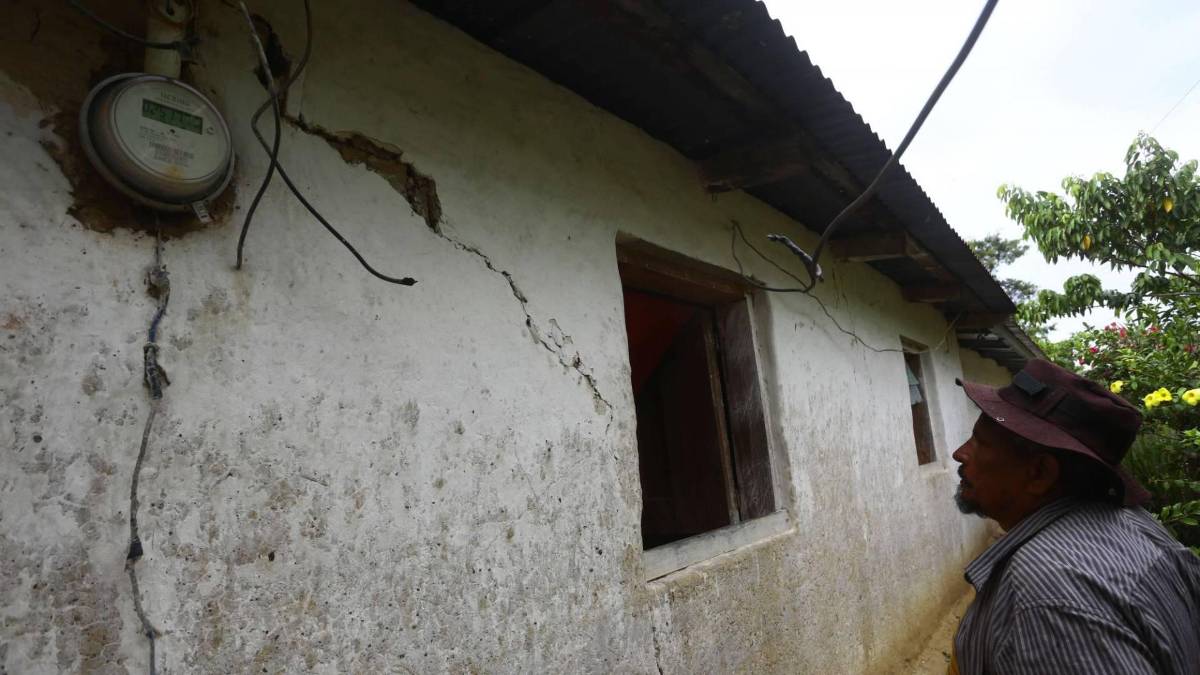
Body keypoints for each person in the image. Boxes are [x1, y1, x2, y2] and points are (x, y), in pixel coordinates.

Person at [950, 359, 1200, 675]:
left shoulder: (1048, 588)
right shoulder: (1138, 526)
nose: (960, 453)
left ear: (1039, 473)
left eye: (980, 443)